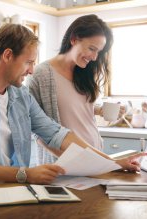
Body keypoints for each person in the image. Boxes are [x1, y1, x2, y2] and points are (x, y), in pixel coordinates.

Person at [0, 23, 147, 193]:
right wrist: (26, 174)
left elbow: (58, 134)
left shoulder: (21, 96)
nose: (32, 70)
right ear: (7, 55)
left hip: (16, 192)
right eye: (28, 62)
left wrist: (112, 163)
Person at [26, 14, 119, 164]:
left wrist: (99, 110)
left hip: (95, 158)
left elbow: (73, 106)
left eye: (99, 52)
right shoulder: (40, 75)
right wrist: (71, 159)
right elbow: (36, 130)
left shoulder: (85, 72)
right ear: (74, 39)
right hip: (65, 164)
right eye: (92, 49)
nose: (95, 57)